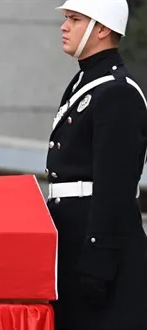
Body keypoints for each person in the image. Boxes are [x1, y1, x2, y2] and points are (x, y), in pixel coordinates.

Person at [46, 1, 147, 329]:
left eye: (74, 19)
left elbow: (114, 187)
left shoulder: (117, 92)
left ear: (102, 29)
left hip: (99, 250)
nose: (64, 27)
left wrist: (98, 260)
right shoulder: (84, 84)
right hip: (72, 239)